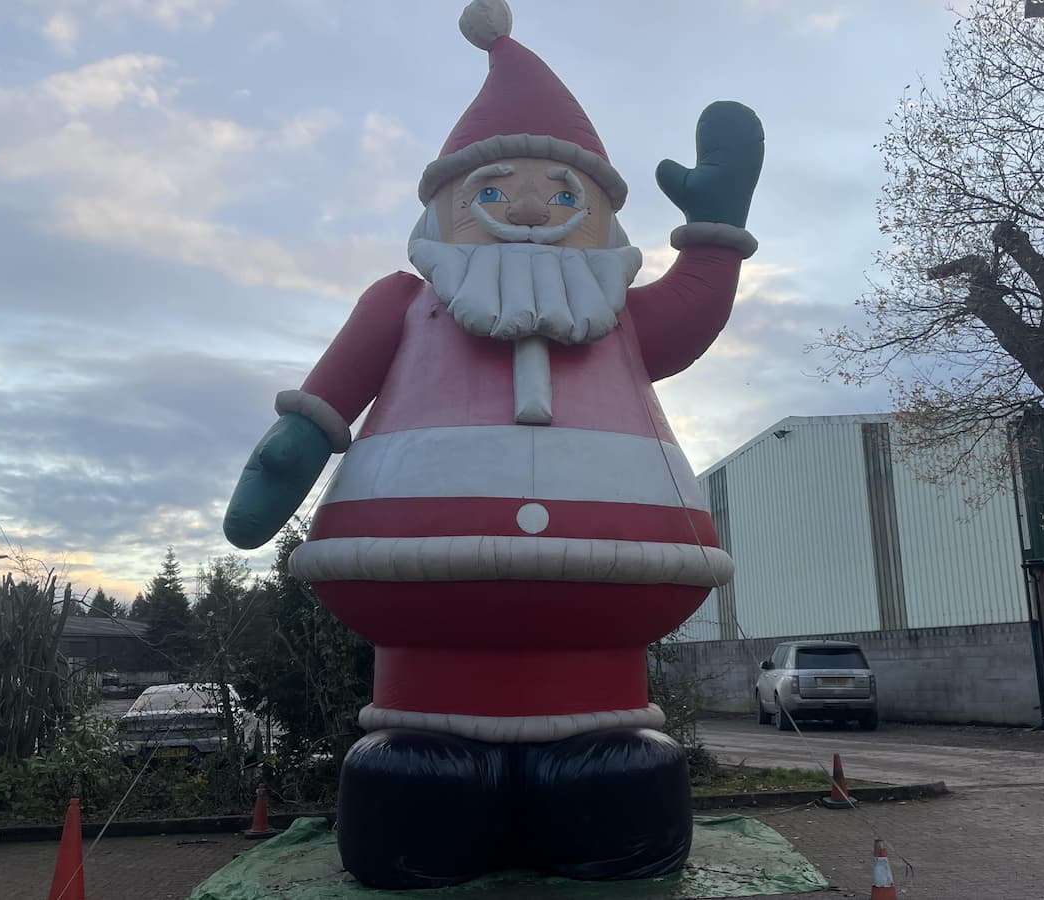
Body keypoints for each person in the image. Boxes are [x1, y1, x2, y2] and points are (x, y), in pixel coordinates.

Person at [223, 0, 763, 887]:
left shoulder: (622, 317)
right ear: (447, 208)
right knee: (420, 792)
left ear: (599, 216)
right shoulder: (402, 304)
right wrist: (280, 467)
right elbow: (320, 408)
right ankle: (433, 785)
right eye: (493, 191)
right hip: (422, 658)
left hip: (605, 665)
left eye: (564, 194)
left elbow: (695, 309)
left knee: (612, 786)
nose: (531, 208)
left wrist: (716, 233)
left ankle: (595, 784)